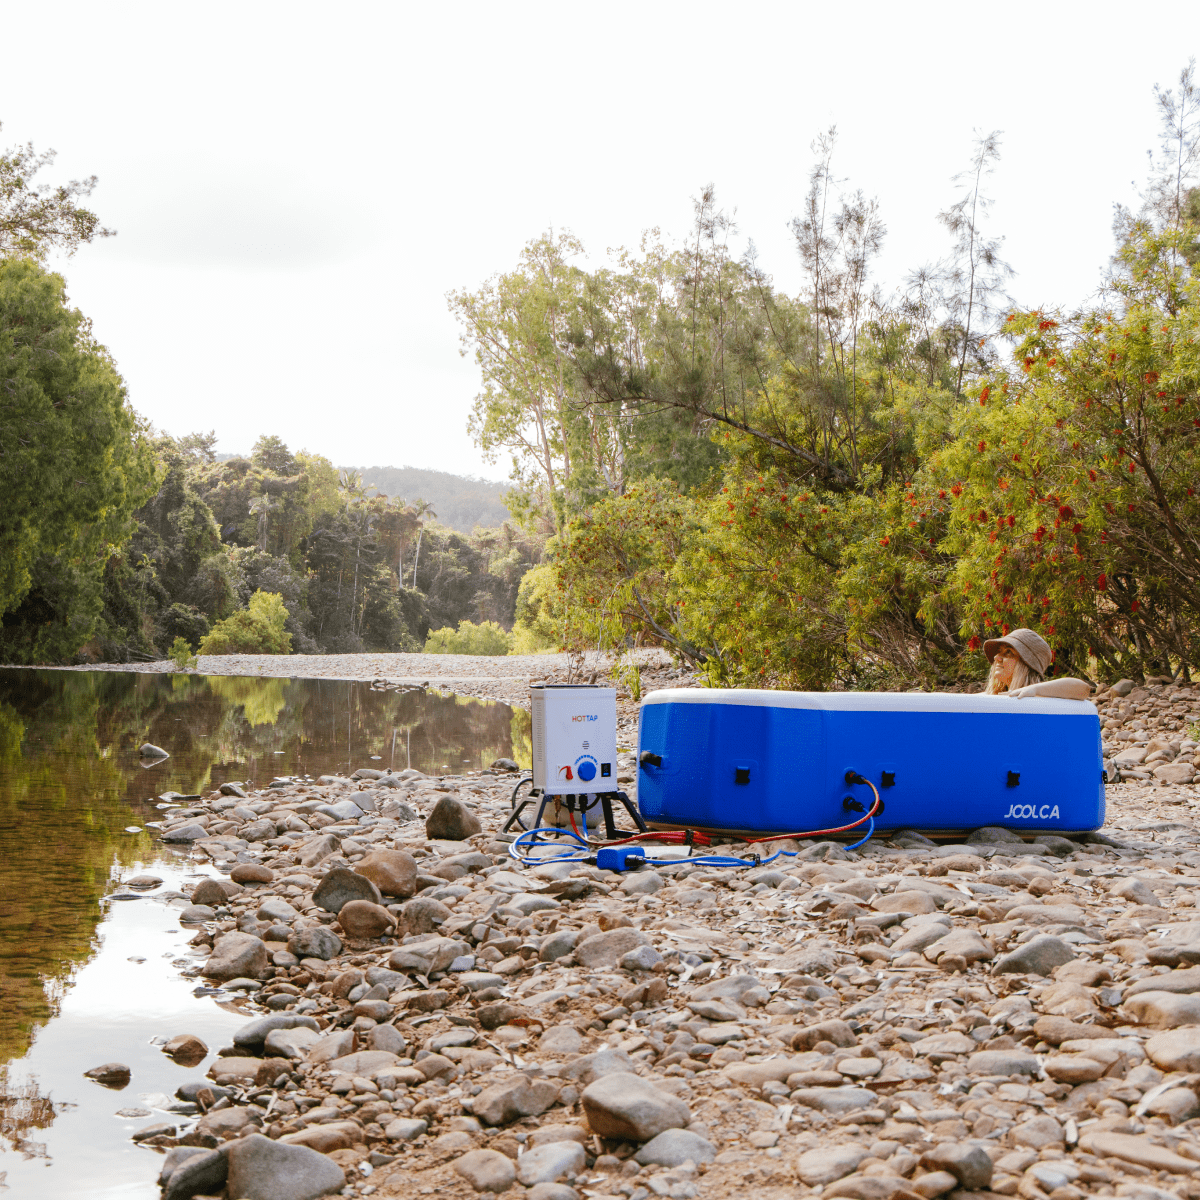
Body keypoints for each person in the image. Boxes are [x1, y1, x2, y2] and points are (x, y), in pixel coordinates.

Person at [982, 628, 1092, 700]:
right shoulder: (993, 697)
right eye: (999, 651)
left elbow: (1083, 689)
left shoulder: (1041, 696)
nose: (997, 657)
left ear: (1026, 664)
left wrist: (1035, 690)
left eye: (1008, 652)